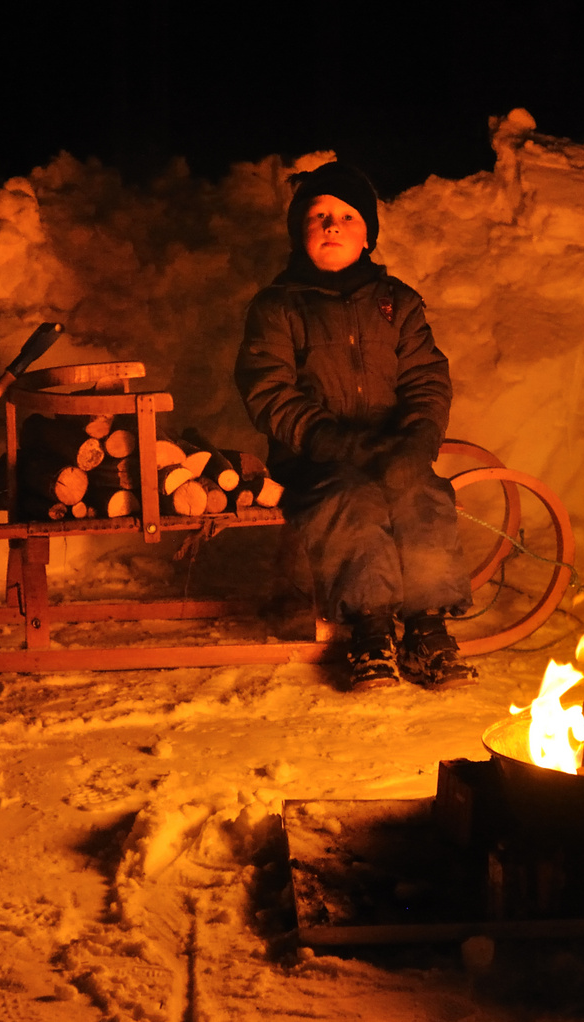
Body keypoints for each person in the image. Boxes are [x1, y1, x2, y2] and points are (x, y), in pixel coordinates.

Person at [234, 161, 476, 691]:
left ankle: (427, 627)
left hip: (392, 448)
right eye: (319, 216)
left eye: (346, 216)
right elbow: (269, 391)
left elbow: (427, 381)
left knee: (421, 496)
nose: (332, 225)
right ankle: (370, 629)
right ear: (301, 232)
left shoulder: (398, 304)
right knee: (353, 503)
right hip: (317, 457)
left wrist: (415, 446)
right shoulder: (278, 306)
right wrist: (332, 441)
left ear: (367, 234)